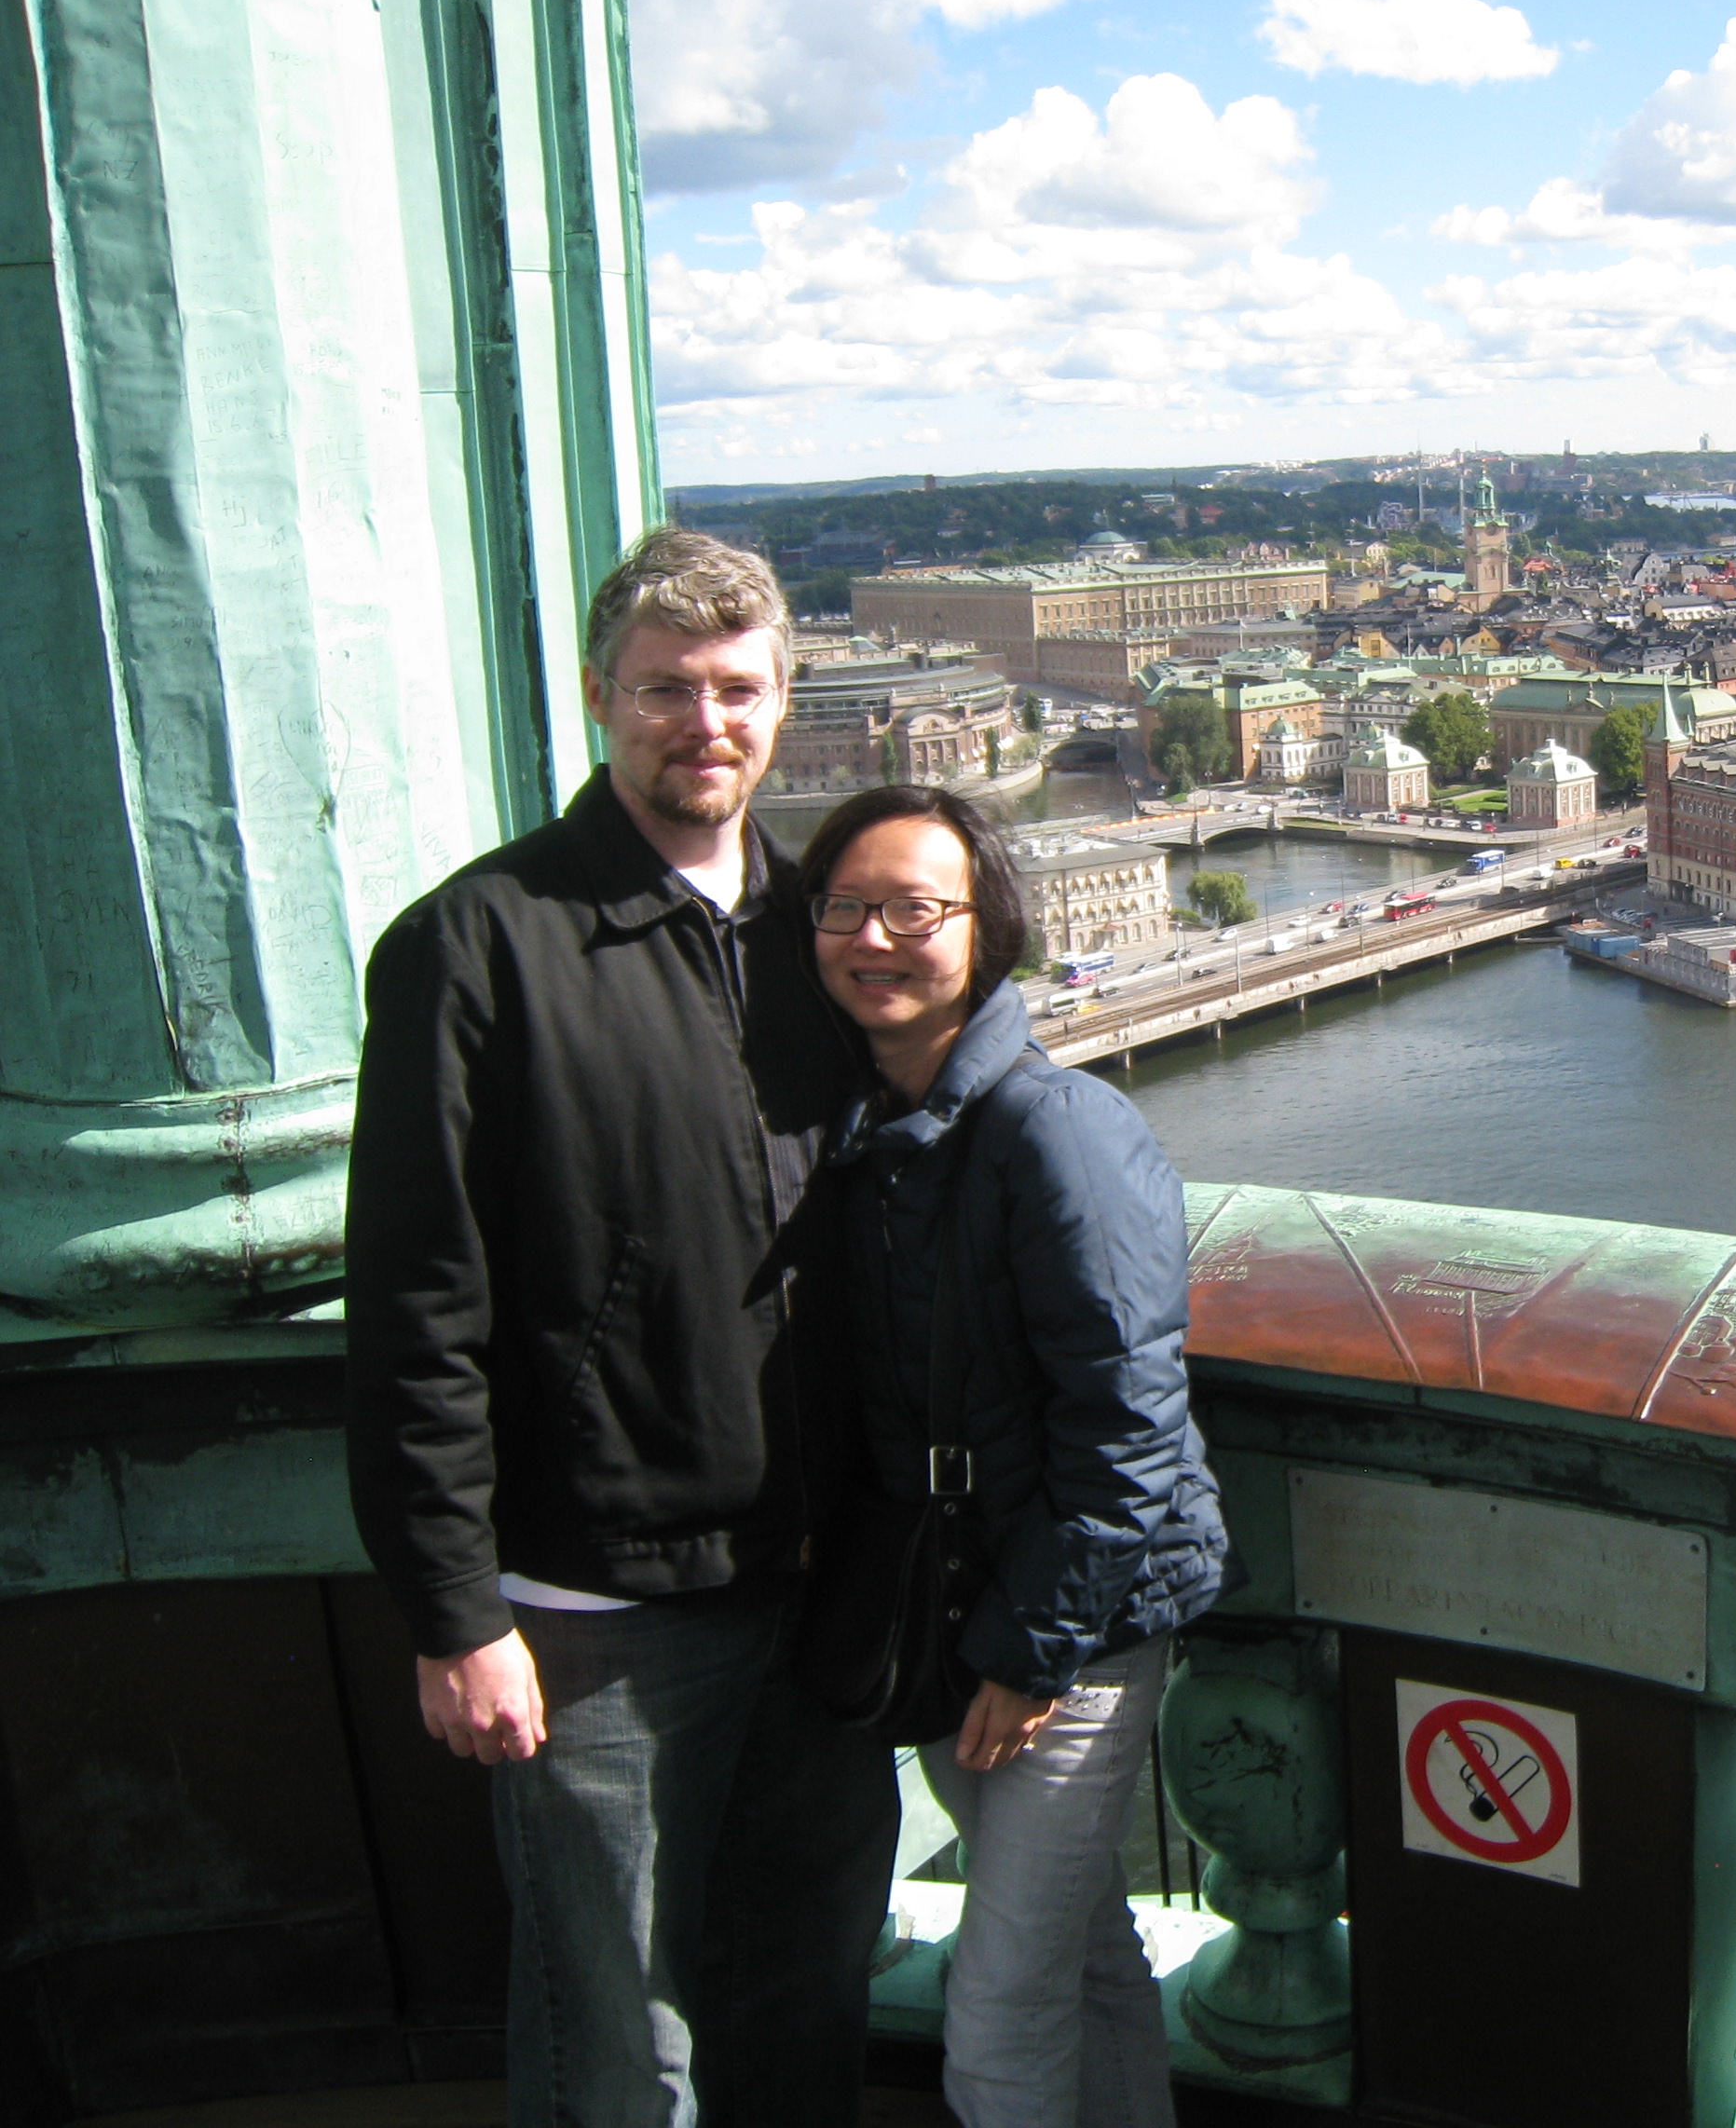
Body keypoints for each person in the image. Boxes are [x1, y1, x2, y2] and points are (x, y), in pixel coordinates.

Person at [346, 528, 898, 2128]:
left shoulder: (824, 936)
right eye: (664, 688)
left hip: (815, 1593)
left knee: (802, 1996)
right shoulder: (480, 943)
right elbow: (415, 1303)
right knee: (616, 2043)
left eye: (735, 689)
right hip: (591, 1611)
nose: (701, 722)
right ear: (599, 698)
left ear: (784, 702)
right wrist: (456, 1608)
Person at [800, 784, 1233, 2128]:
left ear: (986, 931)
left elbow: (1128, 1432)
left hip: (1069, 1630)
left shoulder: (1057, 1128)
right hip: (962, 1599)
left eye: (915, 909)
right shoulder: (869, 1128)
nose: (876, 937)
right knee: (1083, 1955)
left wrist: (1027, 1649)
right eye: (845, 908)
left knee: (995, 2020)